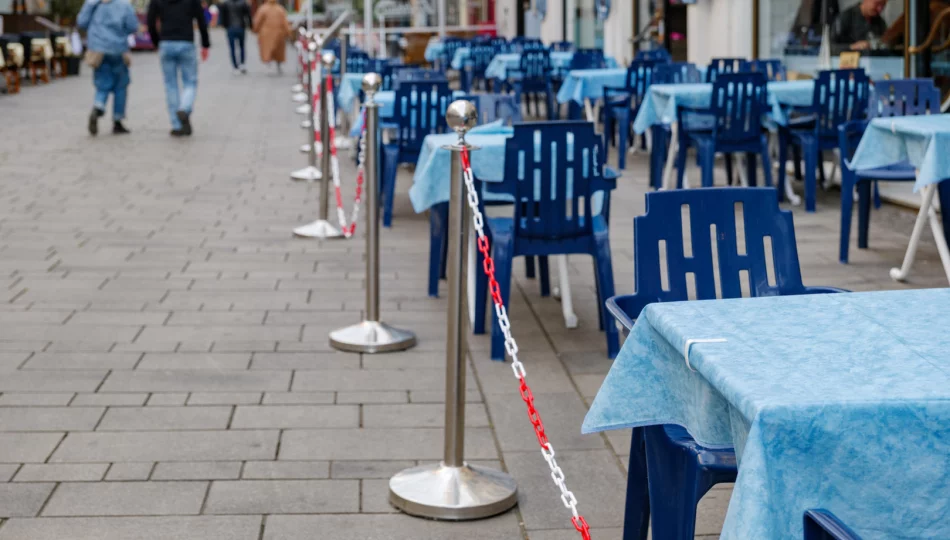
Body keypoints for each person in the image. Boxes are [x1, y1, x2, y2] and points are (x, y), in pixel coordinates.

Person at [147, 0, 211, 137]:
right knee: (190, 82)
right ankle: (184, 108)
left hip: (166, 42)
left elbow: (150, 22)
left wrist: (156, 42)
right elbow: (201, 20)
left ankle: (176, 125)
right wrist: (205, 44)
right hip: (186, 42)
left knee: (170, 85)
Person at [76, 0, 139, 136]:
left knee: (102, 83)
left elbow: (81, 22)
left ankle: (98, 106)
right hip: (118, 48)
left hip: (98, 49)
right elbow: (132, 26)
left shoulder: (93, 3)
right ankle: (117, 120)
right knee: (120, 86)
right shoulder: (124, 4)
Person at [252, 0, 289, 74]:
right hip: (279, 33)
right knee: (278, 51)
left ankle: (268, 64)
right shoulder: (280, 9)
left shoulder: (263, 9)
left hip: (266, 33)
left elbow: (257, 21)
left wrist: (255, 30)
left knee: (267, 50)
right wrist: (287, 32)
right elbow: (285, 22)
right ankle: (278, 64)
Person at [218, 0, 252, 74]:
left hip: (230, 28)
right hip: (240, 27)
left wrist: (223, 25)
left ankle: (235, 66)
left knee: (232, 48)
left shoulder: (226, 4)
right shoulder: (243, 3)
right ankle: (242, 64)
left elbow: (222, 16)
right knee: (242, 47)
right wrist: (250, 25)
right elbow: (248, 15)